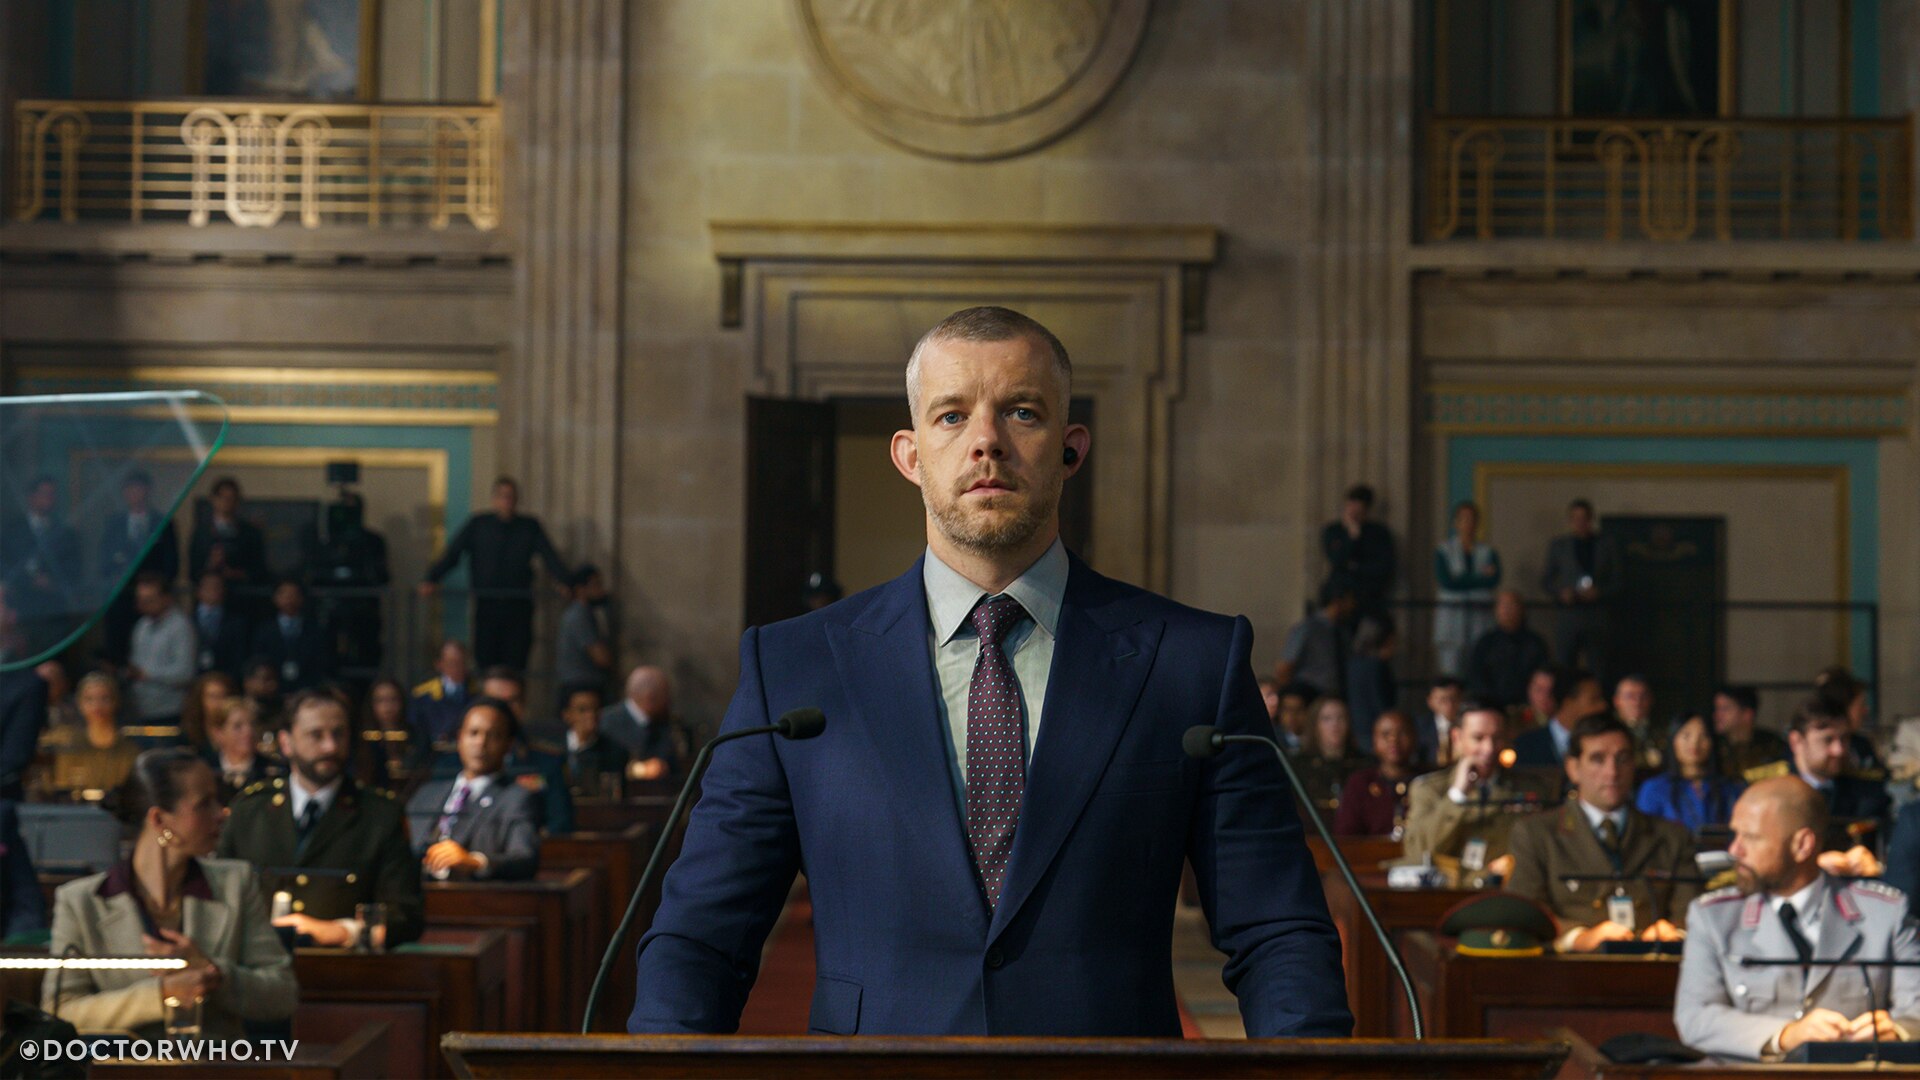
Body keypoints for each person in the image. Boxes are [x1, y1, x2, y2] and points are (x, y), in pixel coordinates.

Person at [630, 306, 1351, 1036]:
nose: (986, 443)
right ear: (909, 455)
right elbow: (702, 939)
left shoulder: (1192, 662)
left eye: (1022, 412)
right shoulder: (793, 668)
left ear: (1070, 448)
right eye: (951, 416)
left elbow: (1278, 933)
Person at [45, 748, 295, 1037]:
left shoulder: (236, 884)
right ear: (159, 821)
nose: (222, 813)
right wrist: (161, 994)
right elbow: (59, 1010)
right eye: (205, 804)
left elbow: (283, 995)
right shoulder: (81, 902)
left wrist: (214, 972)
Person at [1674, 777, 1920, 1060]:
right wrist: (1787, 1034)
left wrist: (1896, 1032)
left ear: (1802, 844)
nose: (1735, 851)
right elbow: (1695, 1017)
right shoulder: (1714, 917)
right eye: (1735, 835)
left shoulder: (1884, 912)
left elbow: (1916, 1010)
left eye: (1751, 838)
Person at [217, 690, 424, 949]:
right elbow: (218, 897)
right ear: (286, 743)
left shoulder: (379, 815)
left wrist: (343, 931)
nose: (330, 747)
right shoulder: (250, 811)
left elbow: (406, 915)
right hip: (258, 964)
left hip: (344, 972)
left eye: (338, 734)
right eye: (316, 735)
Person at [1505, 715, 1698, 952]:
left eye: (1622, 759)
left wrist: (1673, 932)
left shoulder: (1672, 835)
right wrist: (1577, 937)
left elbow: (1691, 911)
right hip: (1570, 972)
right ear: (1573, 768)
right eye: (1598, 759)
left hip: (1654, 966)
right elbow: (1526, 913)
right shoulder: (1537, 834)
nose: (1612, 772)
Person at [419, 476, 572, 671]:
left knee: (516, 663)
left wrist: (565, 581)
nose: (507, 501)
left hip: (519, 607)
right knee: (486, 661)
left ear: (517, 500)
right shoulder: (478, 525)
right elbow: (453, 554)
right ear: (494, 499)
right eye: (502, 496)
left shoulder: (529, 526)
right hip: (486, 606)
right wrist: (431, 578)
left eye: (511, 497)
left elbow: (549, 556)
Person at [1401, 701, 1558, 870]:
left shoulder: (1532, 788)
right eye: (1478, 738)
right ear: (1457, 738)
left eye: (1497, 738)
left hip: (1508, 889)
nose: (1489, 748)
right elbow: (1417, 851)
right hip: (1451, 892)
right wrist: (1456, 795)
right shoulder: (1430, 789)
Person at [406, 699, 541, 881]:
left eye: (493, 735)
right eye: (473, 733)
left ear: (508, 745)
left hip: (472, 899)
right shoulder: (427, 792)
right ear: (460, 738)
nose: (481, 743)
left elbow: (524, 859)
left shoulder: (517, 797)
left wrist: (475, 862)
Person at [98, 470, 180, 664]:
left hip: (153, 602)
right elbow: (103, 562)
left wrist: (155, 588)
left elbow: (171, 564)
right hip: (120, 599)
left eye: (139, 489)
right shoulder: (114, 523)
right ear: (124, 492)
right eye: (130, 489)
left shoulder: (162, 523)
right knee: (118, 647)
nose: (135, 493)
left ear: (148, 491)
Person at [1541, 499, 1622, 680]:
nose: (1580, 523)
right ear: (1570, 520)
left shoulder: (1607, 545)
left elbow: (1618, 581)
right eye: (1576, 518)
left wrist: (1599, 592)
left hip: (1597, 617)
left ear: (1591, 519)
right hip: (1568, 616)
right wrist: (1561, 593)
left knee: (1599, 669)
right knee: (1563, 668)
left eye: (1584, 518)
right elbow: (1547, 581)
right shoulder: (1559, 546)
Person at [1788, 696, 1891, 836]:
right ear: (1796, 742)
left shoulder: (1869, 792)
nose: (1839, 750)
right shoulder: (1766, 788)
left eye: (1844, 739)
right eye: (1827, 740)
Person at [4, 476, 82, 648]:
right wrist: (29, 582)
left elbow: (74, 572)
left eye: (52, 494)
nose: (49, 498)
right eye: (44, 493)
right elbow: (5, 567)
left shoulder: (66, 534)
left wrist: (53, 583)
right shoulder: (11, 532)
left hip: (54, 614)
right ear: (31, 497)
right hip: (20, 611)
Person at [1638, 712, 1745, 832]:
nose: (1694, 743)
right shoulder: (1654, 788)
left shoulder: (1730, 788)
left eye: (1703, 735)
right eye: (1686, 735)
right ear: (1673, 740)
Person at [43, 673, 139, 798]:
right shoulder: (67, 743)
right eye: (89, 699)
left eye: (104, 698)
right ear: (79, 704)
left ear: (115, 702)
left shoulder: (129, 751)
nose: (97, 706)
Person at [1432, 500, 1500, 677]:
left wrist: (1461, 579)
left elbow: (1493, 580)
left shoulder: (1487, 551)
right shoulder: (1444, 550)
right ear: (1456, 522)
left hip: (1480, 617)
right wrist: (1479, 578)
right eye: (1463, 519)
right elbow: (1447, 581)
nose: (1468, 523)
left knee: (1479, 667)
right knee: (1451, 671)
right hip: (1452, 619)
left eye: (1472, 519)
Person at [187, 478, 269, 623]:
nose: (226, 502)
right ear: (213, 500)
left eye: (231, 498)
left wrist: (237, 574)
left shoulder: (251, 533)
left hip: (242, 601)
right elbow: (192, 572)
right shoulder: (201, 534)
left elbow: (260, 570)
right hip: (209, 603)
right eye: (222, 497)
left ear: (237, 501)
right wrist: (210, 564)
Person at [1334, 710, 1425, 837]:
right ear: (1374, 741)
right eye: (1385, 734)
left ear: (1414, 737)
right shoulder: (1360, 783)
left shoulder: (1428, 781)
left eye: (1402, 733)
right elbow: (1346, 835)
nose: (1393, 740)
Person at [126, 573, 196, 729]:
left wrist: (147, 674)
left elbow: (185, 673)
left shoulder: (180, 627)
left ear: (166, 598)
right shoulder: (141, 626)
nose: (143, 604)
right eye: (140, 599)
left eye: (149, 599)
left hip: (170, 712)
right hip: (141, 710)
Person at [1463, 590, 1551, 712]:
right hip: (1491, 709)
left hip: (1528, 709)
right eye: (1503, 606)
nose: (1507, 611)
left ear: (1522, 610)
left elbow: (1543, 676)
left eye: (1512, 605)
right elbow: (1475, 677)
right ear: (1496, 610)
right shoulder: (1485, 643)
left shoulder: (1536, 643)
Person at [1321, 484, 1395, 620]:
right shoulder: (1333, 531)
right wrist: (1352, 538)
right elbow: (1337, 561)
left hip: (1367, 594)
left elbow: (1383, 566)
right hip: (1339, 593)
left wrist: (1355, 567)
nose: (1353, 514)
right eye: (1350, 508)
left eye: (1358, 511)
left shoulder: (1378, 533)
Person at [601, 664, 684, 780]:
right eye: (665, 695)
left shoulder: (664, 723)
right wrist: (641, 769)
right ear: (650, 697)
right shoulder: (607, 723)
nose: (668, 702)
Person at [250, 578, 332, 693]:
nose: (289, 599)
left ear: (302, 598)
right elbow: (259, 661)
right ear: (275, 598)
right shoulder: (264, 630)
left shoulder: (314, 630)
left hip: (306, 689)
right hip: (271, 689)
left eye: (293, 594)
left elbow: (320, 664)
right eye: (284, 594)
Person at [1273, 583, 1354, 700]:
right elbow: (1285, 667)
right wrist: (1289, 696)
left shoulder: (1342, 632)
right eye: (1349, 600)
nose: (1352, 606)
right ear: (1337, 601)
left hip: (1333, 696)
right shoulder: (1307, 628)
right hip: (1309, 693)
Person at [1513, 668, 1607, 768]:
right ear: (1568, 702)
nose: (1603, 706)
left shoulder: (1607, 743)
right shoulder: (1526, 746)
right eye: (1594, 700)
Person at [1289, 696, 1369, 813]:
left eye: (1340, 718)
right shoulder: (1298, 766)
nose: (1334, 725)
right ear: (1315, 725)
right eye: (1327, 719)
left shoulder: (1364, 764)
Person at [1816, 666, 1887, 782]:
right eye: (1861, 705)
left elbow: (1882, 777)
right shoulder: (1812, 746)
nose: (1865, 711)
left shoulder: (1862, 745)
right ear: (1843, 708)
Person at [559, 682, 628, 796]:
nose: (591, 715)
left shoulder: (615, 752)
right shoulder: (553, 748)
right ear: (567, 715)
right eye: (582, 710)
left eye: (595, 709)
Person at [203, 697, 279, 802]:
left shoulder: (273, 770)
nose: (248, 732)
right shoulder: (207, 771)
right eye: (238, 726)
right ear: (219, 733)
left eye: (252, 724)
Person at [1713, 684, 1790, 783]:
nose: (1717, 715)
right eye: (1717, 708)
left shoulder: (1772, 746)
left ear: (1747, 714)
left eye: (1725, 709)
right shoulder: (1713, 747)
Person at [357, 676, 425, 789]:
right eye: (380, 700)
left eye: (393, 699)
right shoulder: (364, 738)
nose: (387, 707)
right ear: (371, 704)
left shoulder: (416, 736)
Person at [555, 564, 614, 691]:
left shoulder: (580, 613)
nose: (601, 591)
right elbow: (600, 657)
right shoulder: (580, 615)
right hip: (582, 685)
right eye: (596, 585)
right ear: (581, 589)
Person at [1344, 615, 1397, 748]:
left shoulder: (1354, 663)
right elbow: (1380, 703)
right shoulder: (1376, 666)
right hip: (1375, 733)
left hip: (1358, 731)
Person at [410, 640, 473, 747]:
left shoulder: (475, 692)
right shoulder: (423, 695)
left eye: (462, 662)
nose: (457, 668)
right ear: (439, 664)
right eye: (452, 662)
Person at [190, 571, 251, 679]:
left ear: (224, 590)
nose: (212, 591)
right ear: (198, 591)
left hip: (224, 679)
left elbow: (238, 657)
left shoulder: (236, 623)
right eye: (207, 586)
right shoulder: (187, 620)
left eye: (217, 587)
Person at [1611, 674, 1664, 775]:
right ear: (1617, 701)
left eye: (1643, 696)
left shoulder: (1663, 730)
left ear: (1651, 699)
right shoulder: (1607, 730)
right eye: (1630, 696)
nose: (1637, 702)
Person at [180, 671, 237, 750]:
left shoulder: (241, 731)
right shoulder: (188, 734)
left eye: (223, 696)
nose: (218, 702)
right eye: (213, 697)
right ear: (201, 700)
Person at [1418, 677, 1464, 768]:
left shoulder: (1469, 726)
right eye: (1442, 700)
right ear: (1430, 702)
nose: (1449, 705)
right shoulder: (1420, 728)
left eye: (1454, 699)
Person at [1270, 680, 1314, 754]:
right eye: (1287, 709)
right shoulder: (1272, 740)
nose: (1292, 715)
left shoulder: (1317, 740)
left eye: (1298, 709)